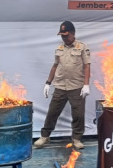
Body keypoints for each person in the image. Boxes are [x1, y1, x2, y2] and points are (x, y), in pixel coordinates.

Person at [34, 21, 90, 150]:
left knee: (78, 115)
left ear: (73, 33)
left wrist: (86, 85)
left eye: (66, 35)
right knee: (52, 112)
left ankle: (76, 139)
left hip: (76, 87)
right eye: (62, 35)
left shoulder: (82, 47)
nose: (64, 38)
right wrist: (48, 83)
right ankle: (45, 136)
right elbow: (55, 66)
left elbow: (87, 66)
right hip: (60, 86)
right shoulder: (59, 48)